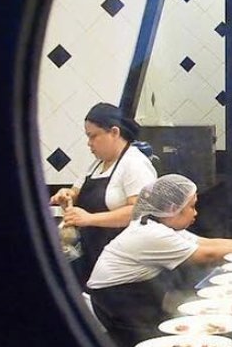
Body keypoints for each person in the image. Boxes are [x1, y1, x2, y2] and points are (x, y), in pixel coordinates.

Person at [86, 174, 232, 347]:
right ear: (172, 209)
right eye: (192, 206)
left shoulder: (160, 226)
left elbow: (207, 243)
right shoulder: (151, 233)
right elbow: (206, 254)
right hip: (118, 303)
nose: (196, 213)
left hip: (135, 296)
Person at [50, 103, 157, 287]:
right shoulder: (97, 164)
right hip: (92, 255)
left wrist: (90, 219)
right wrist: (66, 195)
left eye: (93, 136)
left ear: (114, 132)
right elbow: (76, 192)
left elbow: (140, 211)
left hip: (122, 263)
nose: (89, 143)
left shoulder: (134, 163)